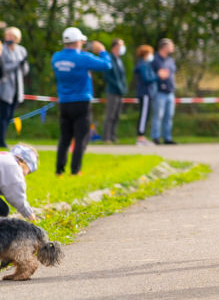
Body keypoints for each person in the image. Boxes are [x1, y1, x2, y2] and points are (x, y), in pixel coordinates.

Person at [52, 27, 112, 176]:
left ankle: (59, 170)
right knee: (81, 138)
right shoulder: (83, 58)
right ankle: (75, 170)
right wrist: (102, 51)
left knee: (65, 137)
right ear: (78, 41)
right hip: (81, 102)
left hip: (64, 102)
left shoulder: (56, 57)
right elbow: (107, 65)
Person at [0, 27, 29, 149]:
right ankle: (1, 140)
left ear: (17, 38)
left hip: (17, 89)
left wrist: (22, 65)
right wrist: (18, 63)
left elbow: (25, 70)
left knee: (9, 116)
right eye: (7, 36)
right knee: (3, 115)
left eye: (11, 36)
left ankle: (2, 138)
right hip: (4, 88)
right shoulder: (3, 50)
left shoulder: (21, 50)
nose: (9, 39)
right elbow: (4, 68)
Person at [0, 144, 39, 221]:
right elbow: (16, 196)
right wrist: (29, 214)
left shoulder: (5, 157)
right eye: (28, 172)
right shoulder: (13, 167)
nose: (25, 175)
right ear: (24, 163)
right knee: (2, 210)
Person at [150, 38, 177, 145]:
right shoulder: (155, 60)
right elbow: (150, 75)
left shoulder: (170, 60)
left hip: (170, 92)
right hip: (159, 92)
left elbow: (173, 73)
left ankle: (167, 138)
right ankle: (156, 137)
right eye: (171, 46)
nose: (173, 48)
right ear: (164, 47)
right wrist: (158, 75)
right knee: (158, 115)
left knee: (169, 116)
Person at [102, 38, 127, 144]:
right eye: (121, 45)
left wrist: (123, 88)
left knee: (116, 115)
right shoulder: (109, 58)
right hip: (112, 91)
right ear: (115, 46)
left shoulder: (119, 59)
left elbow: (122, 76)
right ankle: (106, 137)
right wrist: (118, 86)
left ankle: (113, 136)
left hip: (119, 91)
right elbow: (108, 76)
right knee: (110, 115)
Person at [133, 45, 158, 146]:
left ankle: (142, 137)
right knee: (143, 116)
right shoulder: (142, 65)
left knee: (146, 116)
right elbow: (146, 79)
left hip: (148, 93)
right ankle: (140, 138)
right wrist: (158, 76)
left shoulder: (146, 64)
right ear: (146, 54)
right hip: (145, 94)